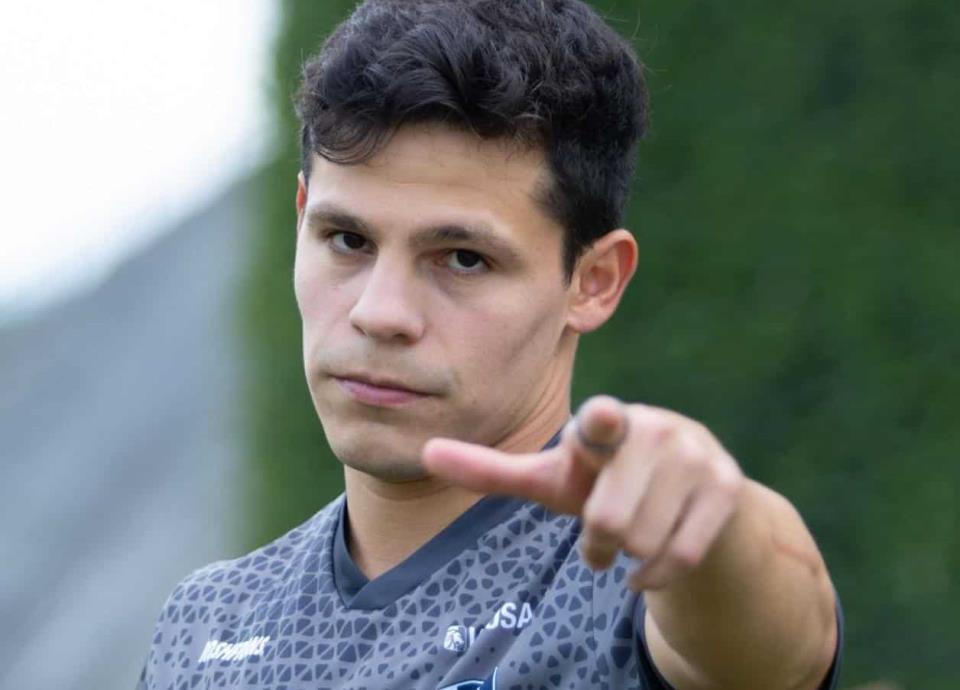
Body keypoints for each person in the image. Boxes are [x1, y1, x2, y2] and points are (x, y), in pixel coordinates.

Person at [138, 0, 843, 688]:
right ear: (301, 222)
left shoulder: (636, 574)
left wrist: (718, 530)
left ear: (593, 281)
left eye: (463, 258)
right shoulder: (203, 626)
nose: (379, 313)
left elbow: (781, 652)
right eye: (347, 240)